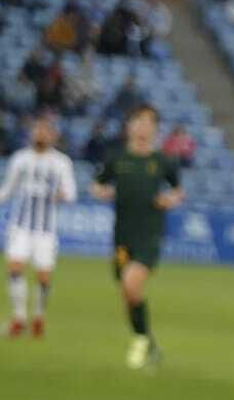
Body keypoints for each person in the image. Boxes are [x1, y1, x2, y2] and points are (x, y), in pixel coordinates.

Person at [90, 104, 183, 370]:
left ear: (155, 128)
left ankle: (140, 342)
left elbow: (178, 190)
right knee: (128, 294)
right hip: (122, 237)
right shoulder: (117, 159)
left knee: (132, 284)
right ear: (129, 126)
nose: (143, 127)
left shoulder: (162, 161)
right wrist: (100, 192)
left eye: (148, 122)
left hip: (149, 236)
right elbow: (97, 183)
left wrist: (170, 199)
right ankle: (149, 343)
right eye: (138, 121)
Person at [0, 115, 76, 339]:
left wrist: (62, 195)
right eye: (37, 129)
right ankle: (19, 318)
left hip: (46, 230)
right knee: (15, 268)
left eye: (45, 130)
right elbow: (7, 190)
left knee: (43, 276)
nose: (40, 134)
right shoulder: (20, 159)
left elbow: (71, 193)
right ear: (32, 133)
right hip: (20, 226)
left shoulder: (62, 163)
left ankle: (39, 316)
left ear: (53, 135)